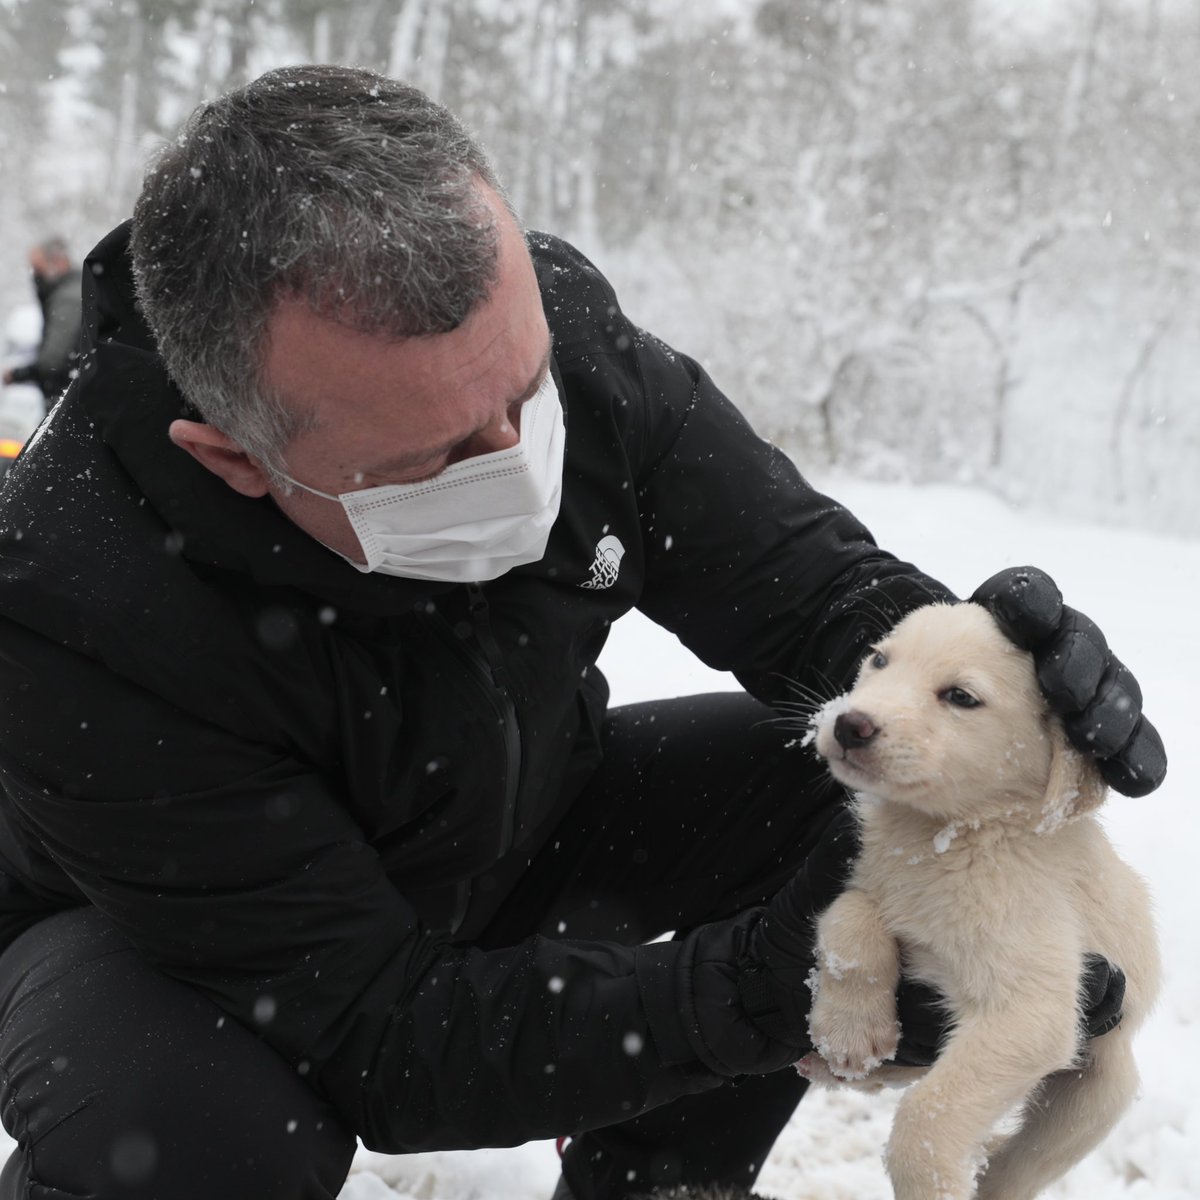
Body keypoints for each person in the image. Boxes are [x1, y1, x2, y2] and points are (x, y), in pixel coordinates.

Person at [0, 66, 1162, 1200]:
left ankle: (663, 1184)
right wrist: (769, 989)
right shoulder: (70, 601)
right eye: (437, 458)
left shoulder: (570, 343)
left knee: (845, 775)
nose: (517, 461)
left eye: (525, 389)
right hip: (176, 944)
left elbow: (815, 596)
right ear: (233, 459)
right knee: (182, 1132)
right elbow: (380, 1039)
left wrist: (1007, 681)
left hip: (518, 815)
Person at [1, 236, 82, 409]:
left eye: (38, 268)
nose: (35, 276)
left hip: (69, 402)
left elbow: (52, 362)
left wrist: (17, 375)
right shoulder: (71, 291)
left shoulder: (68, 300)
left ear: (58, 263)